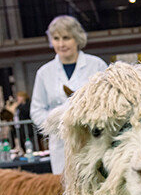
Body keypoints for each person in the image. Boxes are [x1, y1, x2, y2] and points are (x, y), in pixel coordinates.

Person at [30, 15, 107, 174]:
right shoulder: (44, 73)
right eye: (56, 38)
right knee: (65, 189)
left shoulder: (97, 65)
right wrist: (57, 126)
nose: (61, 44)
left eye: (66, 38)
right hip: (61, 144)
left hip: (94, 140)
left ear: (77, 39)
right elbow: (36, 110)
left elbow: (108, 103)